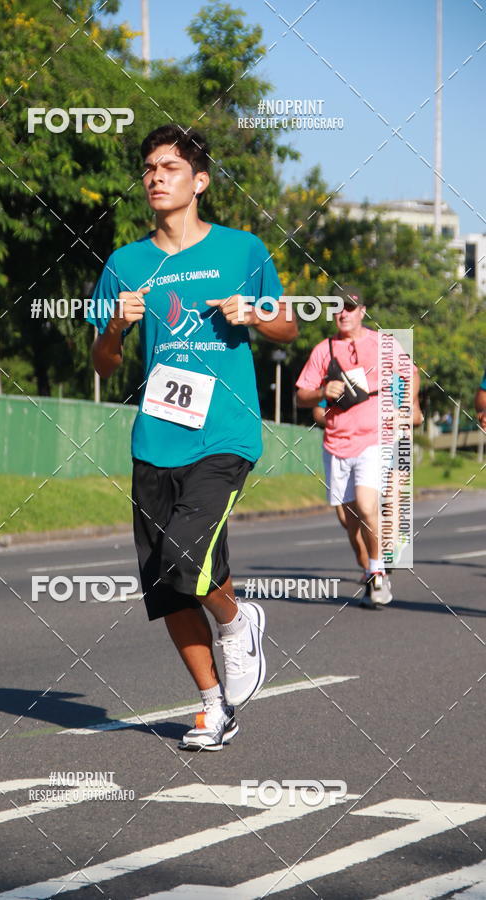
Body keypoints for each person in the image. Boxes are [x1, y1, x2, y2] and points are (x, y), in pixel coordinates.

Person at [88, 124, 297, 750]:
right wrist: (115, 329)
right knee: (167, 582)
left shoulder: (242, 250)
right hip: (156, 437)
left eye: (170, 167)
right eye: (149, 167)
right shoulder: (125, 264)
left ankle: (238, 625)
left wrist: (255, 314)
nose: (156, 177)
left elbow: (287, 326)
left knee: (185, 558)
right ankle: (213, 706)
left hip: (224, 434)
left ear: (199, 181)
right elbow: (101, 365)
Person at [296, 287, 418, 609]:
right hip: (336, 444)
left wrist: (410, 405)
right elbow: (302, 395)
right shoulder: (323, 350)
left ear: (362, 311)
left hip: (374, 439)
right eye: (338, 308)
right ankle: (368, 568)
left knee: (367, 507)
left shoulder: (383, 344)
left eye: (350, 308)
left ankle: (378, 572)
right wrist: (323, 390)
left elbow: (411, 374)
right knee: (348, 521)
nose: (344, 313)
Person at [312, 401, 369, 578]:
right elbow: (317, 412)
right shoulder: (332, 378)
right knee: (346, 520)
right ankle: (366, 562)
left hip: (367, 448)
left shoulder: (373, 376)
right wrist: (339, 419)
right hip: (335, 451)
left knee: (367, 510)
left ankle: (372, 568)